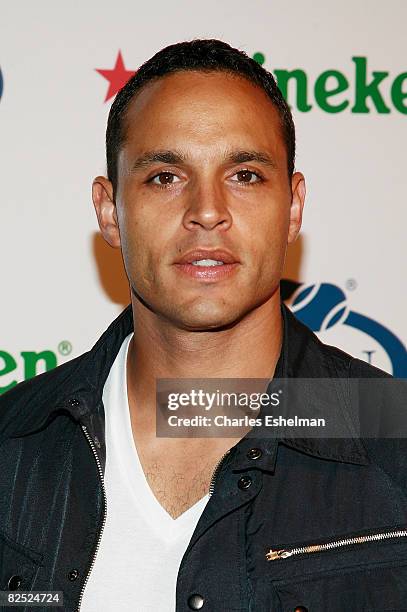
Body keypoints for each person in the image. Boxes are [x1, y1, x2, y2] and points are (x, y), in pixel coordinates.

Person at [0, 38, 406, 612]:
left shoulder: (394, 440)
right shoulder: (14, 443)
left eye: (244, 174)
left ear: (293, 208)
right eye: (165, 176)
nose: (208, 210)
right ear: (109, 211)